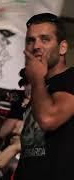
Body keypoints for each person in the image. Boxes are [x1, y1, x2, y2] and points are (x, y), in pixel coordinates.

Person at [14, 13, 74, 180]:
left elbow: (49, 119)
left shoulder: (70, 78)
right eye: (30, 40)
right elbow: (31, 148)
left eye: (45, 39)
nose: (36, 46)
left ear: (62, 47)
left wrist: (37, 79)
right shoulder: (40, 87)